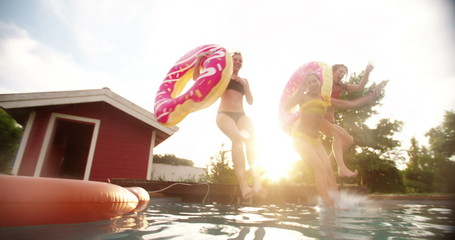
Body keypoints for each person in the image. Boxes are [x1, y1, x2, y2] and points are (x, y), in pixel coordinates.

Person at [193, 50, 264, 199]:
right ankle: (243, 185)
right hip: (224, 115)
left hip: (242, 115)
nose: (238, 62)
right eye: (235, 60)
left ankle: (257, 181)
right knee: (237, 139)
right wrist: (199, 60)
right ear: (230, 62)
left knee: (252, 142)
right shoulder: (222, 77)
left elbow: (250, 101)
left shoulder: (244, 80)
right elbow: (197, 80)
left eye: (240, 61)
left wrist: (245, 85)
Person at [284, 72, 339, 207]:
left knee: (329, 171)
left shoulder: (323, 99)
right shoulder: (303, 97)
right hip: (300, 138)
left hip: (316, 140)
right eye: (309, 82)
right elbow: (287, 106)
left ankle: (337, 202)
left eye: (315, 81)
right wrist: (300, 90)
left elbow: (329, 116)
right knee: (319, 168)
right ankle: (328, 204)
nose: (313, 84)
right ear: (306, 86)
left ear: (320, 82)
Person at [322, 63, 386, 178]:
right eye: (340, 71)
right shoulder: (325, 85)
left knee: (348, 141)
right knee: (337, 135)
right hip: (320, 119)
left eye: (344, 72)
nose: (342, 74)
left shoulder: (341, 87)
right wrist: (372, 96)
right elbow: (350, 104)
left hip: (331, 121)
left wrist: (367, 72)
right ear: (332, 71)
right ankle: (341, 168)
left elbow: (360, 87)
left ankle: (326, 164)